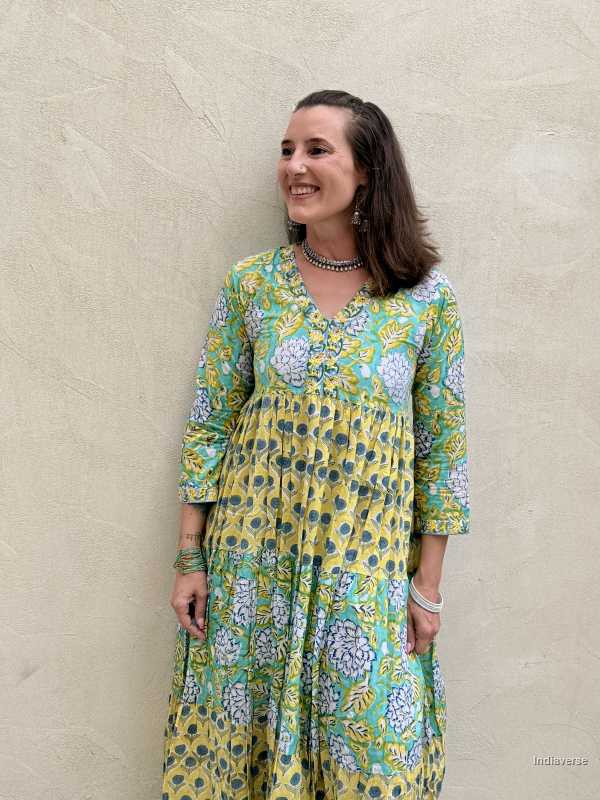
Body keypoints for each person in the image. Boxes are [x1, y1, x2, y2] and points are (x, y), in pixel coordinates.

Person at [161, 90, 471, 800]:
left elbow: (444, 450)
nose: (294, 166)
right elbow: (210, 421)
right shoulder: (252, 286)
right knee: (240, 759)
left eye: (316, 150)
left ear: (367, 171)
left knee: (372, 762)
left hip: (364, 573)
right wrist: (189, 555)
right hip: (251, 571)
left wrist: (427, 588)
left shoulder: (427, 300)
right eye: (286, 150)